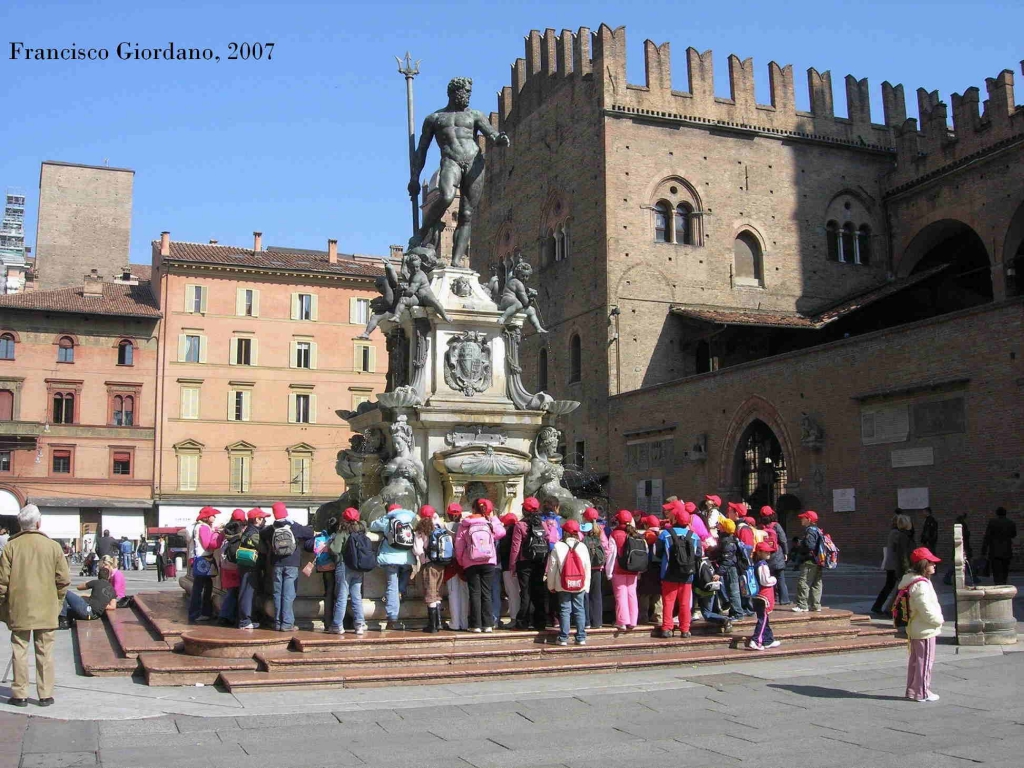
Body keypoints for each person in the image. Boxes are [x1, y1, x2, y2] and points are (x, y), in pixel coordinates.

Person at [408, 76, 511, 266]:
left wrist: (500, 139)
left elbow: (491, 134)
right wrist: (414, 177)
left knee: (466, 214)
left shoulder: (475, 115)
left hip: (475, 162)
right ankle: (423, 232)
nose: (467, 96)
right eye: (464, 92)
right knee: (447, 196)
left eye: (469, 93)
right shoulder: (435, 119)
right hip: (451, 161)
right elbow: (421, 149)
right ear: (453, 93)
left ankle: (456, 264)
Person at [0, 504, 71, 707]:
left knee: (19, 650)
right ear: (38, 523)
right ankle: (45, 694)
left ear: (21, 525)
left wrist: (2, 605)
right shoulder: (53, 546)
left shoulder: (11, 547)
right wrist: (57, 603)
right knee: (45, 650)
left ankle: (20, 694)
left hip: (19, 607)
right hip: (46, 607)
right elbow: (63, 579)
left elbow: (1, 582)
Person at [454, 498, 506, 632]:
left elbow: (459, 545)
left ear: (472, 509)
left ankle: (475, 624)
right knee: (486, 593)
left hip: (471, 562)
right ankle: (488, 624)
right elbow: (501, 533)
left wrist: (461, 561)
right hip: (488, 561)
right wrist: (494, 519)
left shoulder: (465, 524)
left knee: (474, 593)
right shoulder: (488, 523)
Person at [261, 502, 313, 632]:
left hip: (276, 564)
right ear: (286, 512)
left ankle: (278, 623)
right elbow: (310, 533)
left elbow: (262, 535)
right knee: (289, 595)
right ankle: (287, 623)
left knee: (277, 594)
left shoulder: (271, 528)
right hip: (292, 563)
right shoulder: (293, 526)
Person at [900, 547, 944, 702]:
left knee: (915, 661)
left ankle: (912, 690)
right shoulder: (921, 585)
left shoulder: (911, 580)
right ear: (924, 564)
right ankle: (922, 692)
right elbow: (924, 607)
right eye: (931, 562)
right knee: (924, 662)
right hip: (924, 628)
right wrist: (937, 620)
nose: (934, 565)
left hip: (916, 627)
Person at [656, 507, 701, 639]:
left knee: (668, 602)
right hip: (687, 574)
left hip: (668, 573)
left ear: (675, 519)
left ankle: (666, 628)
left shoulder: (665, 534)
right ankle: (685, 629)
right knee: (685, 603)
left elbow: (657, 554)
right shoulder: (694, 536)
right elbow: (698, 554)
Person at [369, 504, 416, 631]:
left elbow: (372, 525)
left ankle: (392, 618)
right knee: (404, 576)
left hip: (390, 558)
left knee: (392, 586)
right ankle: (400, 592)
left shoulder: (387, 520)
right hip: (406, 558)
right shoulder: (409, 520)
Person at [545, 518, 591, 646]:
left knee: (565, 610)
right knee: (579, 609)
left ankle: (563, 637)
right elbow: (587, 568)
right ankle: (581, 637)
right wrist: (586, 586)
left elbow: (552, 568)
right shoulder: (582, 547)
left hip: (563, 583)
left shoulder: (558, 547)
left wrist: (551, 585)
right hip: (579, 584)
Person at [509, 497, 550, 630]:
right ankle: (540, 622)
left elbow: (516, 547)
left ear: (524, 510)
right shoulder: (543, 524)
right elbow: (548, 540)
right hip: (539, 561)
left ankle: (523, 621)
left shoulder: (520, 525)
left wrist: (513, 565)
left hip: (524, 562)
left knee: (525, 592)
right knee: (538, 591)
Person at [326, 507, 369, 635]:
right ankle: (359, 625)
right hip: (358, 567)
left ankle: (337, 625)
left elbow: (335, 549)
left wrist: (329, 544)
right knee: (356, 596)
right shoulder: (361, 530)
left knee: (342, 596)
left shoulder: (342, 531)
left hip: (344, 566)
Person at [412, 506, 448, 634]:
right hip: (441, 563)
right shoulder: (439, 526)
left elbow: (417, 550)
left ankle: (432, 626)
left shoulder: (421, 530)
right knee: (437, 592)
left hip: (429, 565)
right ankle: (439, 623)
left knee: (430, 593)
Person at [871, 513, 914, 615]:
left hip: (892, 563)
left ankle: (881, 606)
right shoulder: (897, 534)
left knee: (890, 586)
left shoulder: (895, 533)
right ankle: (886, 607)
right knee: (893, 586)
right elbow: (900, 552)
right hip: (894, 564)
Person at [187, 507, 221, 623]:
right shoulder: (204, 528)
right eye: (213, 515)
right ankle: (198, 613)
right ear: (207, 517)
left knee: (202, 586)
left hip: (197, 559)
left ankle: (200, 612)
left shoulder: (197, 526)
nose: (215, 517)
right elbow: (208, 544)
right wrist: (217, 534)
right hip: (204, 559)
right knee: (201, 587)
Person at [608, 510, 641, 630]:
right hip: (633, 568)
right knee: (632, 594)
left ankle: (622, 621)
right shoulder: (635, 533)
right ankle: (633, 620)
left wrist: (608, 571)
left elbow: (611, 554)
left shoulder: (615, 534)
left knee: (620, 594)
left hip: (619, 568)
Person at [237, 508, 269, 630]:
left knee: (247, 591)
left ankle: (246, 619)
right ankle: (245, 621)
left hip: (247, 565)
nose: (265, 520)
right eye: (263, 518)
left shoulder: (249, 530)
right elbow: (263, 549)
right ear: (257, 519)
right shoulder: (253, 533)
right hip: (250, 566)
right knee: (247, 592)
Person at [216, 510, 247, 627]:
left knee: (231, 591)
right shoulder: (243, 529)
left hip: (225, 564)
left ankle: (227, 616)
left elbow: (217, 544)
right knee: (236, 592)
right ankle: (226, 616)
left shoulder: (226, 530)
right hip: (237, 565)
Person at [748, 542, 781, 650]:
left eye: (769, 551)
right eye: (765, 551)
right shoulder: (762, 565)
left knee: (764, 619)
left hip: (758, 595)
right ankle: (756, 640)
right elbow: (765, 581)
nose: (768, 553)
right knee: (763, 619)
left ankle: (768, 640)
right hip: (763, 595)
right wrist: (774, 579)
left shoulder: (756, 563)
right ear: (759, 552)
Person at [714, 518, 750, 619]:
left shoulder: (727, 542)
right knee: (731, 590)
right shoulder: (727, 538)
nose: (717, 525)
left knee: (733, 590)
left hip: (731, 568)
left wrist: (719, 573)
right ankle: (734, 611)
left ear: (724, 527)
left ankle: (738, 613)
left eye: (719, 524)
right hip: (730, 567)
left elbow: (727, 560)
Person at [443, 503, 469, 631]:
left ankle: (455, 622)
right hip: (465, 564)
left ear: (448, 514)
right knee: (465, 595)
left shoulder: (444, 527)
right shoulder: (465, 527)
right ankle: (464, 623)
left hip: (451, 564)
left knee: (453, 594)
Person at [581, 507, 608, 629]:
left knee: (585, 594)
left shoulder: (581, 531)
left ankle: (586, 621)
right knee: (597, 595)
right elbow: (606, 549)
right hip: (597, 567)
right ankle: (598, 622)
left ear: (584, 518)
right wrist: (602, 563)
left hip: (585, 568)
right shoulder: (600, 531)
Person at [792, 510, 824, 613]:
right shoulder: (818, 530)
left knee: (803, 582)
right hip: (819, 560)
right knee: (816, 582)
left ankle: (802, 605)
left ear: (809, 520)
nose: (801, 519)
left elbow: (810, 546)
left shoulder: (810, 531)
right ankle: (816, 605)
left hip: (809, 561)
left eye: (803, 518)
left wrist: (801, 545)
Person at [759, 507, 790, 605]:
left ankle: (771, 598)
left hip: (766, 555)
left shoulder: (760, 527)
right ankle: (784, 600)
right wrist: (786, 552)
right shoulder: (776, 525)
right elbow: (783, 539)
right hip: (778, 554)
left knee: (769, 578)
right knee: (781, 578)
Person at [981, 507, 1017, 585]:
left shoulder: (992, 522)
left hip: (994, 550)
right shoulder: (1011, 523)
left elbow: (987, 537)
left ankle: (998, 584)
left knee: (996, 570)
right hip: (1007, 550)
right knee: (1005, 569)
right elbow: (1014, 535)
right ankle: (1003, 583)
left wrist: (983, 550)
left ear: (997, 513)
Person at [497, 512, 521, 628]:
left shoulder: (506, 536)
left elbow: (502, 552)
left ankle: (514, 619)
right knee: (519, 593)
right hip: (521, 567)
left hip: (508, 568)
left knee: (512, 594)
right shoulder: (520, 532)